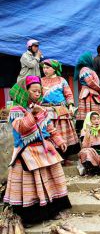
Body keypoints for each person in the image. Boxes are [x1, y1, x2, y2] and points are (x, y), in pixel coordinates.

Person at [4, 76, 71, 224]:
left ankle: (53, 210)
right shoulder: (17, 110)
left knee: (52, 179)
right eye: (34, 91)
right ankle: (32, 216)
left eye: (39, 91)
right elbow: (21, 128)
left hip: (45, 148)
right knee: (31, 185)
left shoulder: (38, 107)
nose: (37, 94)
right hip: (26, 151)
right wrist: (33, 114)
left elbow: (48, 127)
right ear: (25, 91)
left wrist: (59, 140)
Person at [41, 59, 80, 164]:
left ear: (54, 69)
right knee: (51, 134)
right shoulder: (41, 81)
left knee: (63, 135)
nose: (45, 70)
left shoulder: (61, 80)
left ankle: (65, 158)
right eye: (44, 67)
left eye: (48, 67)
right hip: (46, 111)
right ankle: (54, 159)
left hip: (60, 110)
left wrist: (71, 105)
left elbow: (68, 94)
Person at [75, 52, 100, 132]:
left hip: (92, 93)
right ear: (87, 60)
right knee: (88, 113)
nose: (93, 59)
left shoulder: (88, 69)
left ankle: (94, 129)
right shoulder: (85, 70)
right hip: (88, 94)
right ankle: (86, 131)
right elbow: (90, 82)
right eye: (91, 58)